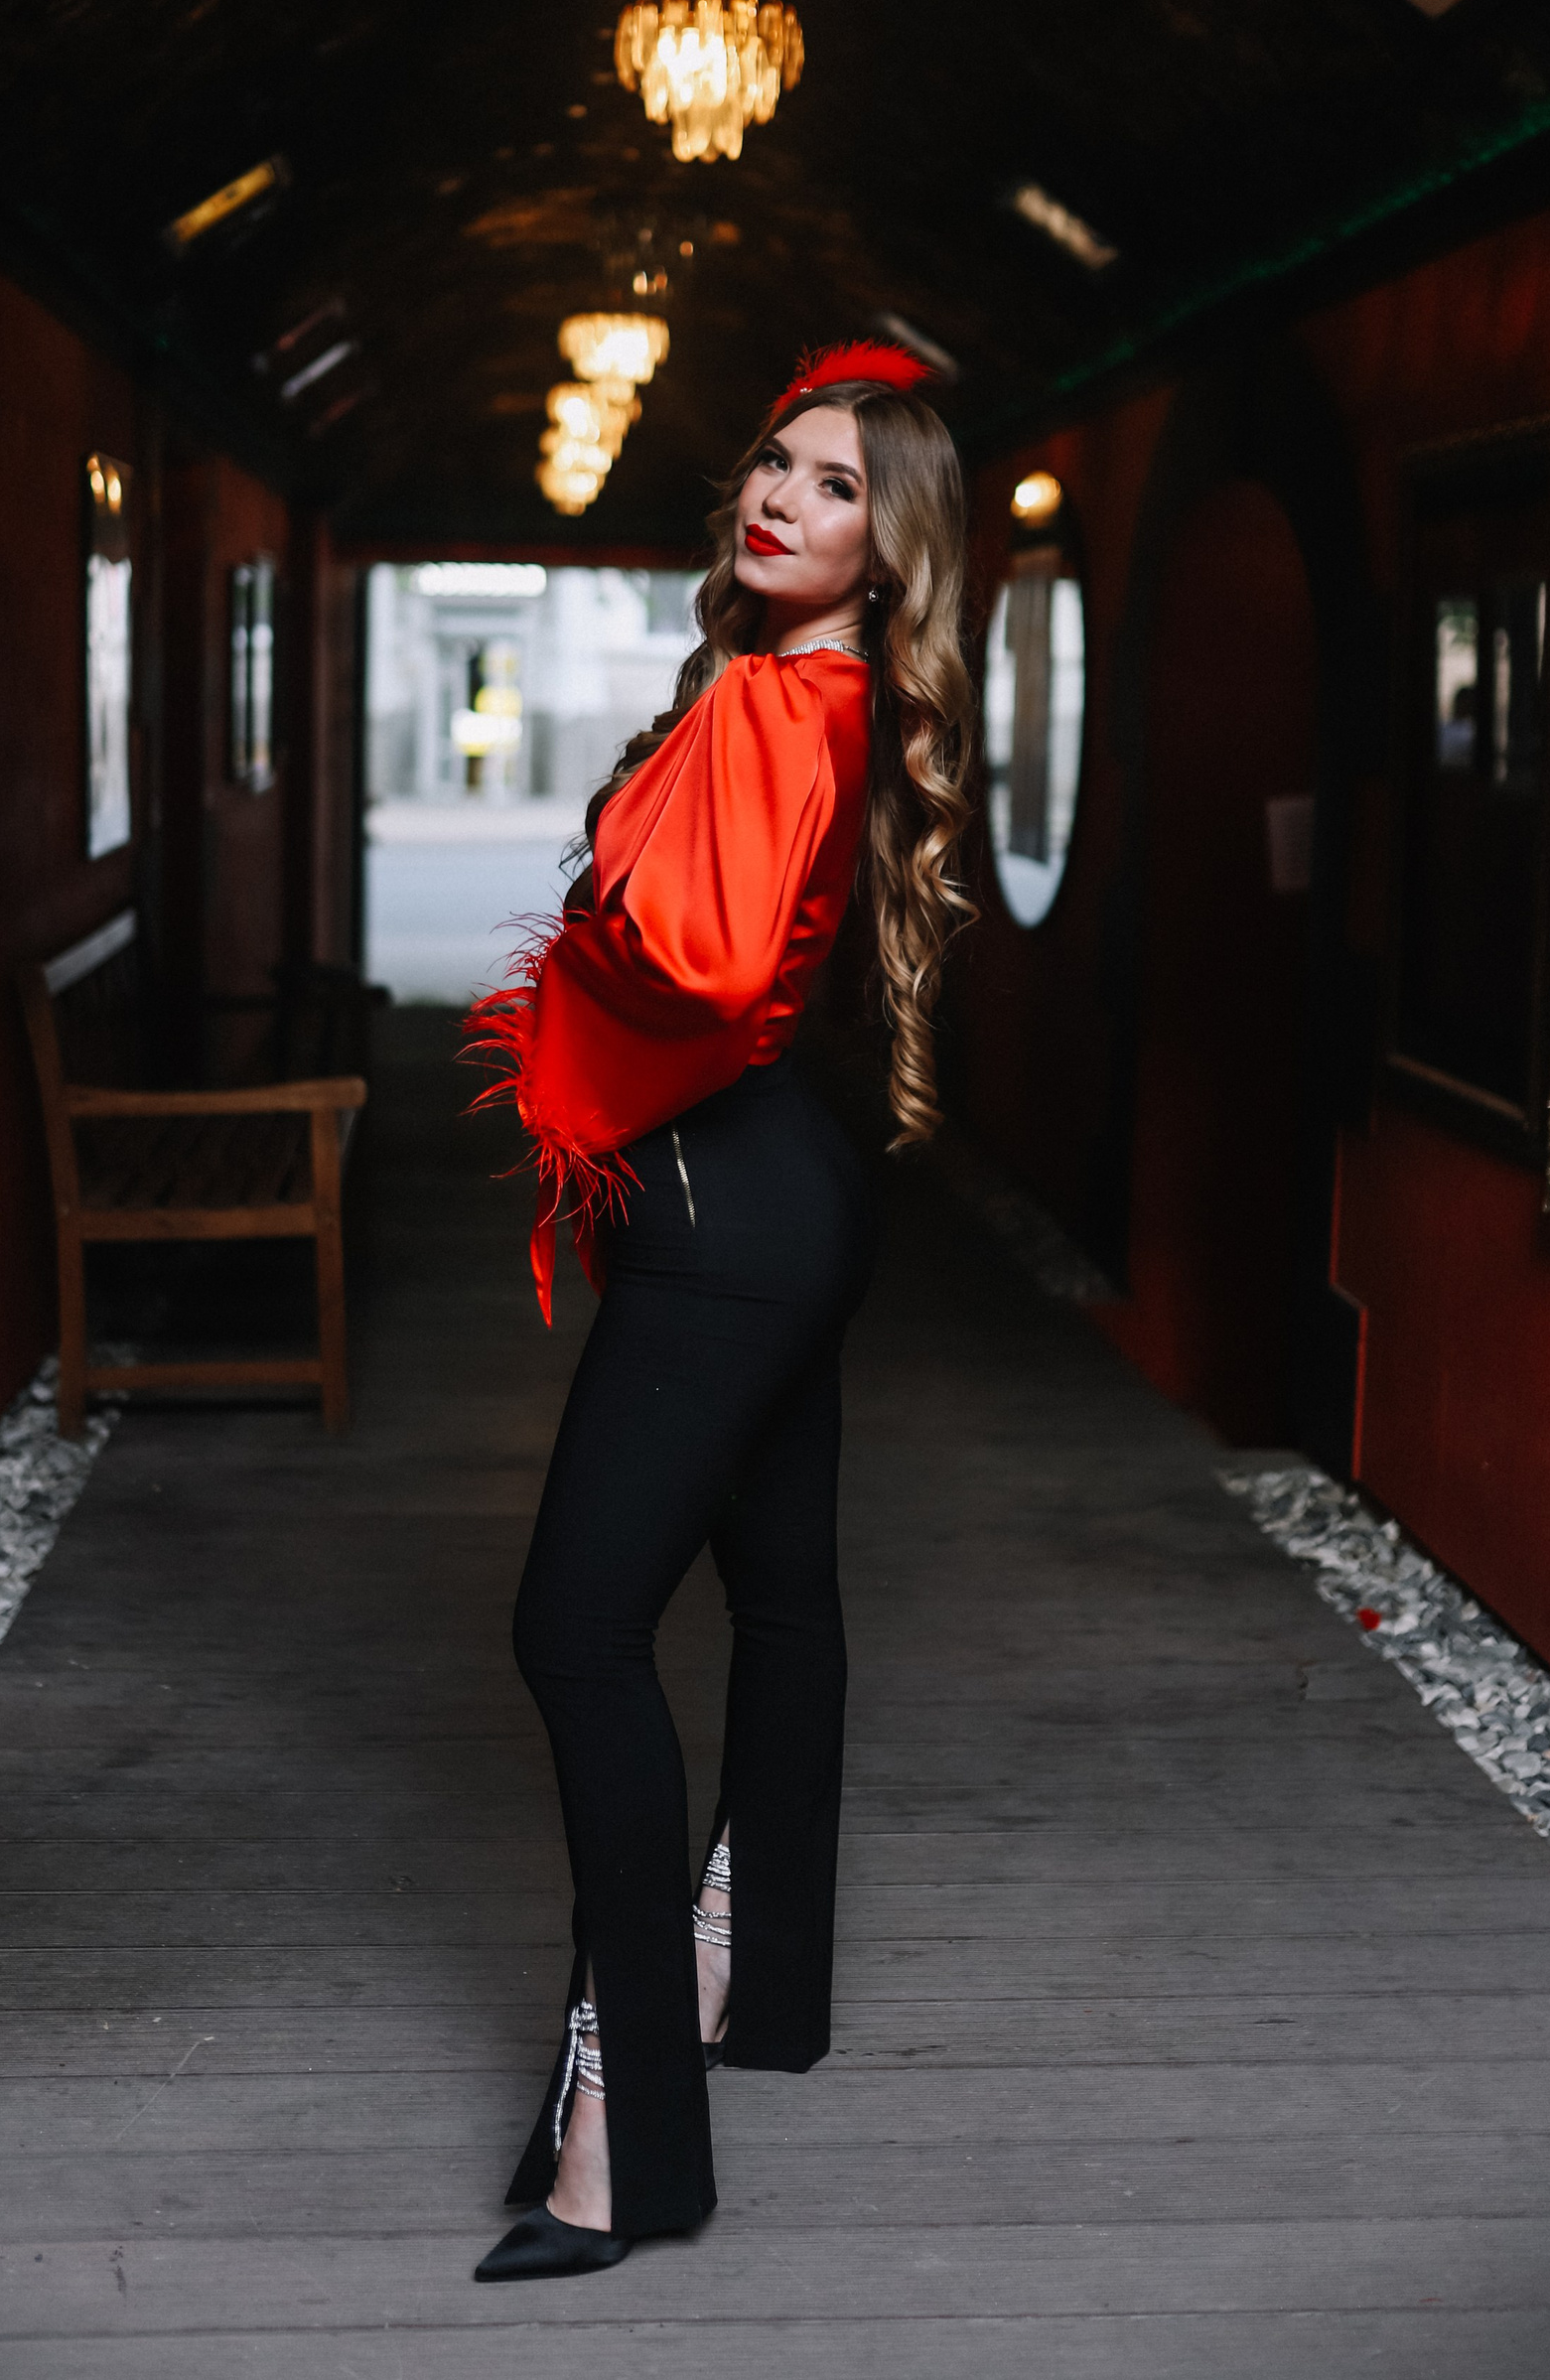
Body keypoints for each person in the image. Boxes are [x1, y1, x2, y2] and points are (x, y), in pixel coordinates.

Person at [464, 344, 979, 2282]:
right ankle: (753, 1982)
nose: (781, 496)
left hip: (725, 1212)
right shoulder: (829, 694)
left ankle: (632, 2133)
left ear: (891, 548)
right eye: (777, 461)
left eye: (837, 486)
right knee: (782, 1597)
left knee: (575, 1631)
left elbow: (701, 959)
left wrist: (601, 917)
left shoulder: (775, 700)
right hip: (791, 1186)